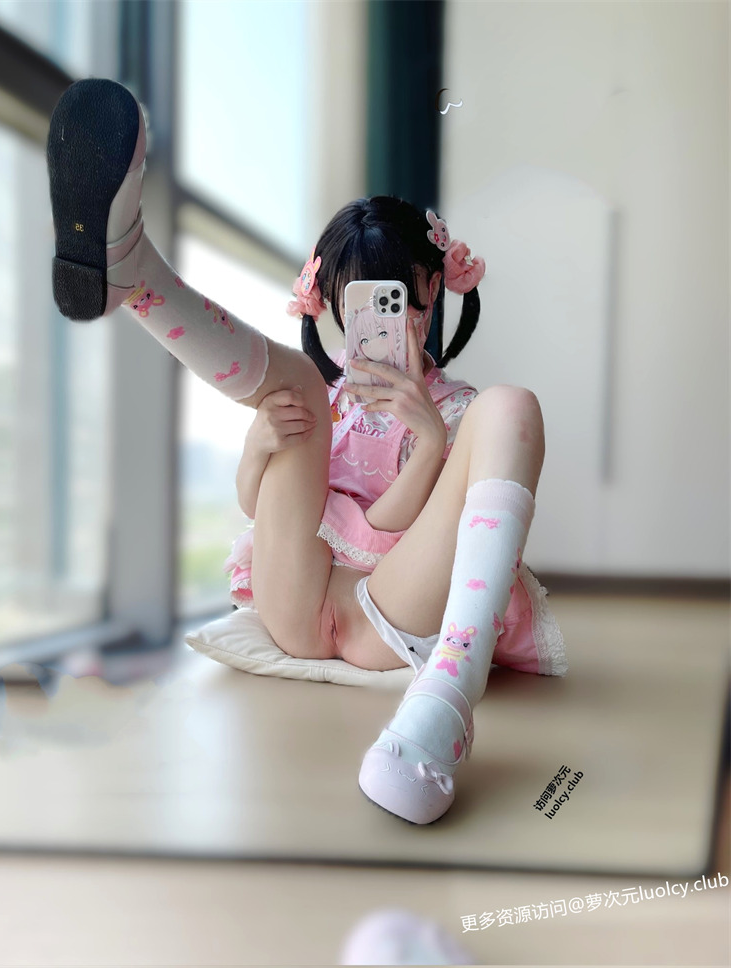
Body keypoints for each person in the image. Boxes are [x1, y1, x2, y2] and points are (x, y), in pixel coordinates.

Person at [47, 78, 566, 824]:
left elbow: (392, 528)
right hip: (299, 597)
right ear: (329, 303)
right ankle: (132, 273)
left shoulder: (453, 412)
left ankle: (450, 693)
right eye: (359, 303)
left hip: (389, 612)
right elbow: (259, 505)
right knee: (292, 388)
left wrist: (427, 442)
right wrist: (261, 446)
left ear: (432, 289)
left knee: (510, 406)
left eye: (397, 298)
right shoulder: (330, 403)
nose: (377, 324)